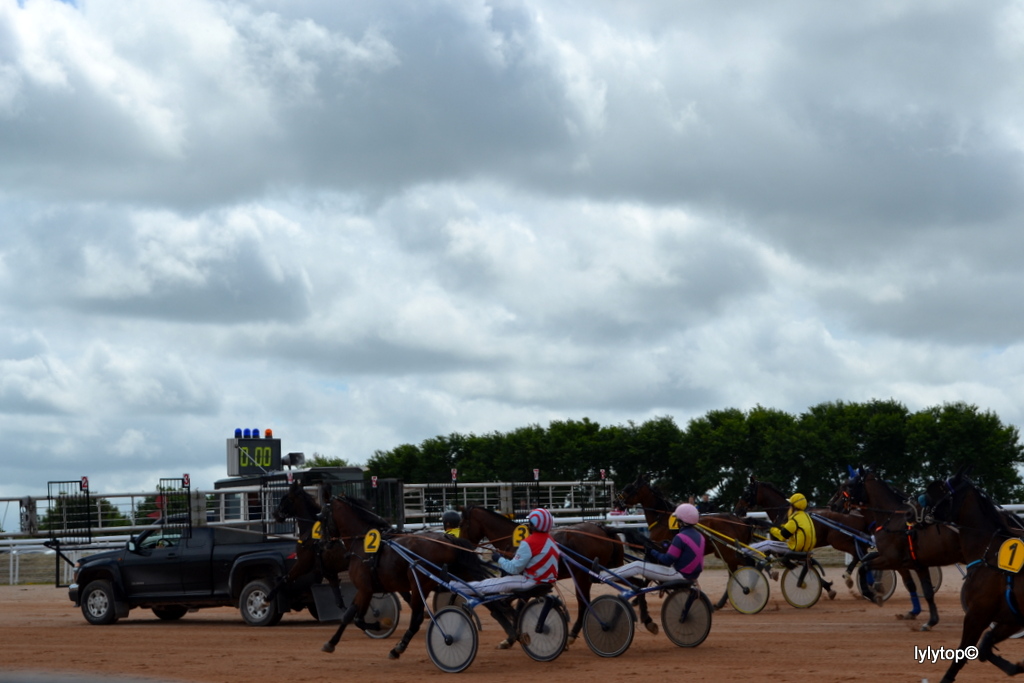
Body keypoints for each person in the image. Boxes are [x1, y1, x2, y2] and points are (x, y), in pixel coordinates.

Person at [466, 508, 561, 648]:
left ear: (533, 525)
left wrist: (498, 558)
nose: (528, 525)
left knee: (486, 584)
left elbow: (513, 569)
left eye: (530, 523)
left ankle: (457, 586)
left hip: (529, 582)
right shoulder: (552, 541)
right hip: (547, 583)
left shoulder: (528, 542)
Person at [600, 503, 704, 584]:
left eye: (677, 519)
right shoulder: (700, 536)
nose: (676, 521)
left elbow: (666, 560)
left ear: (682, 521)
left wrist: (651, 550)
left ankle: (602, 576)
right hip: (693, 575)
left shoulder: (680, 537)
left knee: (637, 566)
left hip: (678, 574)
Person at [751, 492, 816, 555]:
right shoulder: (806, 516)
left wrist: (771, 529)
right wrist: (780, 526)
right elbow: (789, 528)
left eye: (790, 505)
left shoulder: (795, 518)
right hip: (807, 548)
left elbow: (782, 536)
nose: (789, 507)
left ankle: (745, 551)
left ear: (794, 506)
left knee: (768, 544)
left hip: (795, 548)